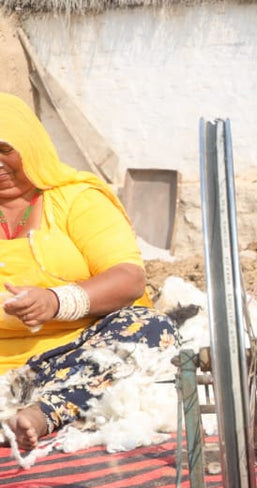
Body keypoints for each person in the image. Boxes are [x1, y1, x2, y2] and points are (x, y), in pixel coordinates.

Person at [0, 93, 177, 452]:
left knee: (148, 328)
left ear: (30, 146)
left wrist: (55, 301)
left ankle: (43, 413)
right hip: (5, 369)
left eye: (5, 149)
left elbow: (128, 279)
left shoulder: (76, 199)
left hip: (79, 354)